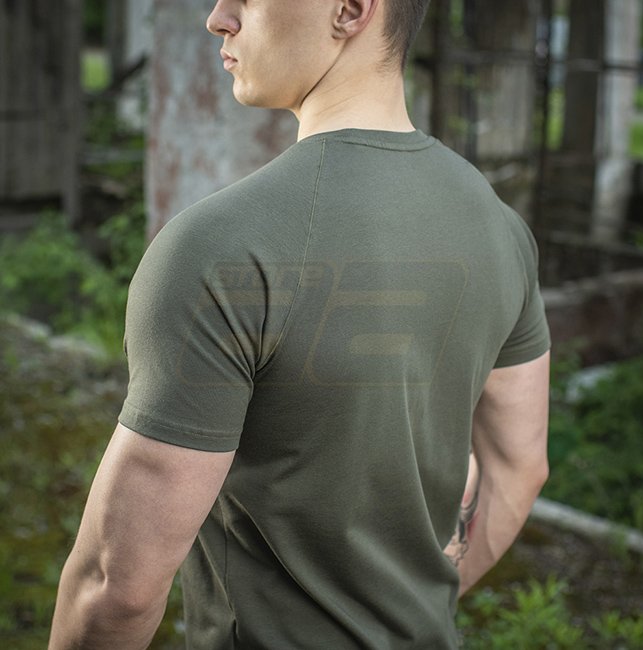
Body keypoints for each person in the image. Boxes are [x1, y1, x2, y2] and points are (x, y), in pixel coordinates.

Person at [48, 0, 551, 648]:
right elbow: (517, 468)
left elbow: (117, 585)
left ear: (350, 10)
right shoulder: (500, 228)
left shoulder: (218, 249)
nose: (218, 17)